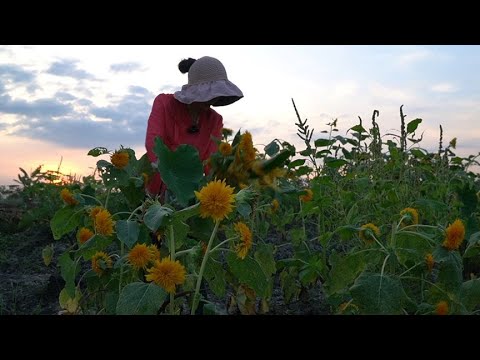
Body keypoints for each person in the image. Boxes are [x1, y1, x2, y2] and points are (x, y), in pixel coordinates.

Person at [145, 56, 244, 199]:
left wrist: (222, 187)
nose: (211, 100)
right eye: (207, 95)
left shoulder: (215, 120)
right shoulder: (164, 104)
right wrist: (170, 177)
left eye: (215, 95)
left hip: (191, 195)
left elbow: (211, 162)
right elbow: (154, 143)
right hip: (157, 190)